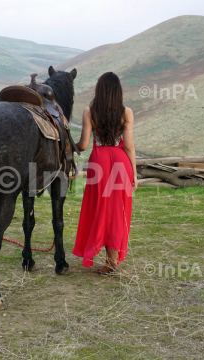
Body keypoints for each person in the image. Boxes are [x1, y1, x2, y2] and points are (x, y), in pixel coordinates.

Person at [72, 72, 137, 275]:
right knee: (117, 210)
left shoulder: (89, 112)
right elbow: (129, 146)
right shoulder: (126, 113)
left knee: (99, 208)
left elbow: (83, 145)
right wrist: (134, 174)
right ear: (118, 91)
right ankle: (112, 261)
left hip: (98, 162)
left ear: (99, 90)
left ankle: (105, 258)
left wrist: (68, 147)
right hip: (120, 163)